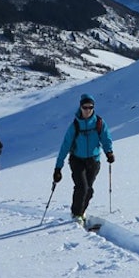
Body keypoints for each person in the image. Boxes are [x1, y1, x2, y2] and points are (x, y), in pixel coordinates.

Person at [53, 93, 114, 225]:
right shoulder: (75, 125)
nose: (87, 110)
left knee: (89, 189)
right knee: (82, 187)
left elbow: (106, 138)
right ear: (80, 107)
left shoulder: (99, 123)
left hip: (93, 160)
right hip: (77, 160)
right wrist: (58, 168)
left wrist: (109, 152)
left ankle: (81, 211)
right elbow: (65, 146)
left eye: (90, 107)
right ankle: (76, 214)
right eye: (85, 107)